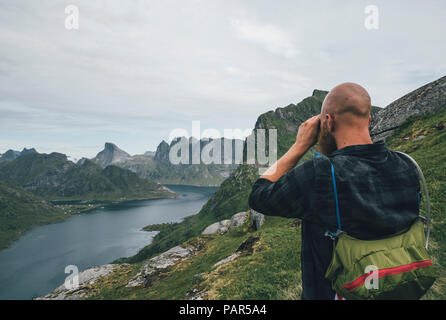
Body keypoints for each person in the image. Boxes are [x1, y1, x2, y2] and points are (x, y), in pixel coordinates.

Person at [248, 83, 421, 300]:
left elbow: (259, 195)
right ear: (369, 120)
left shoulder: (320, 173)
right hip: (398, 285)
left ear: (328, 122)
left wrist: (299, 145)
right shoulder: (406, 165)